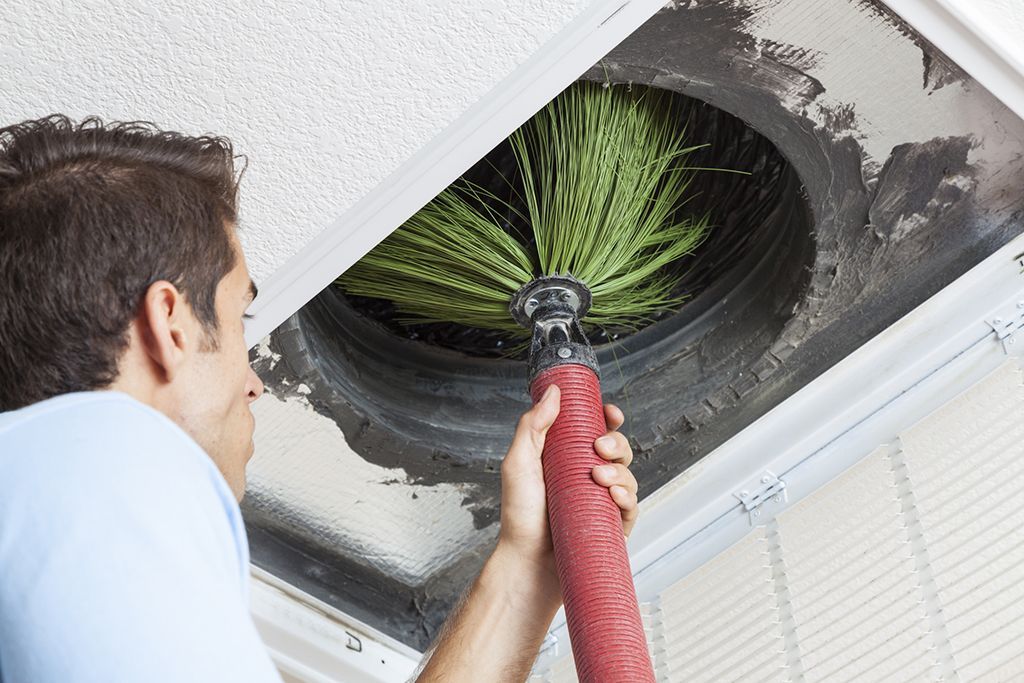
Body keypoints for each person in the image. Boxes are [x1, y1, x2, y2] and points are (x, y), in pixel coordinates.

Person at [0, 116, 640, 682]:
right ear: (172, 326)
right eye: (239, 322)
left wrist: (529, 567)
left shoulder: (52, 522)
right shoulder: (103, 491)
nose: (253, 382)